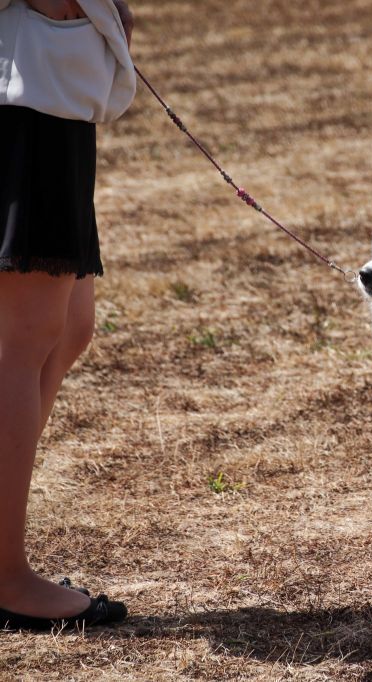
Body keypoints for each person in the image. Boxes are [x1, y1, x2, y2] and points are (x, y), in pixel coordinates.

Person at [0, 0, 134, 630]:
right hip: (27, 86)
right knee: (19, 342)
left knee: (68, 328)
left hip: (56, 82)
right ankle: (5, 577)